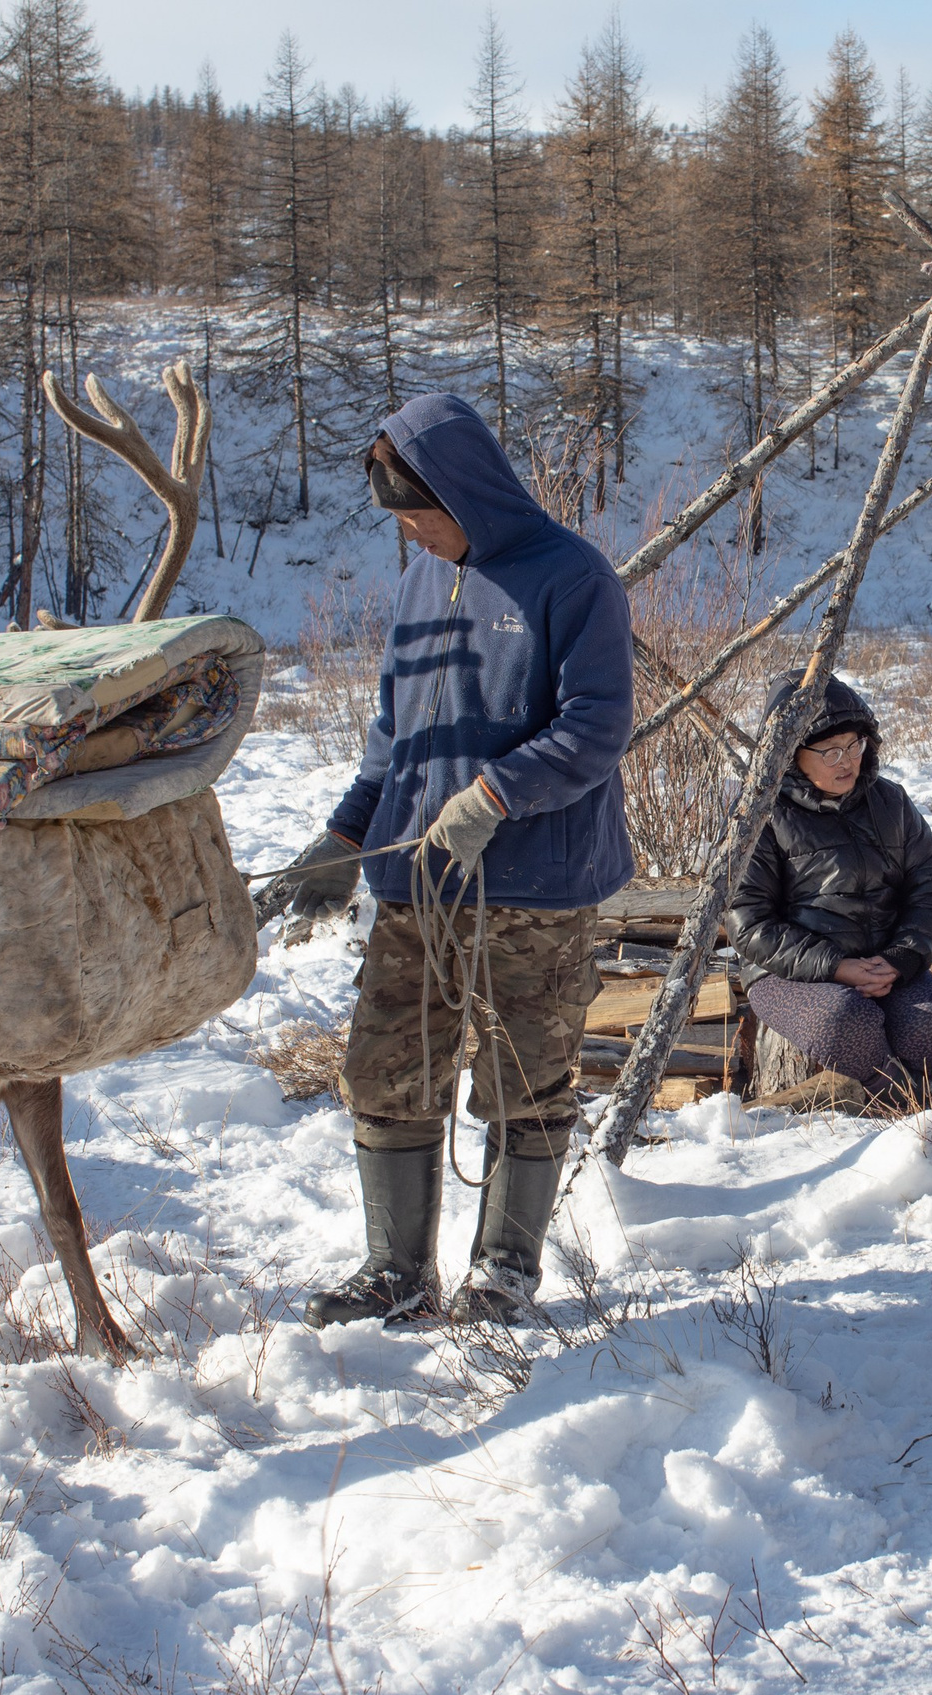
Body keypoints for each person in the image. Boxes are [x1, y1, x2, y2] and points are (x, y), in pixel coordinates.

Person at [279, 393, 634, 1328]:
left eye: (415, 512)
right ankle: (395, 1272)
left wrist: (495, 795)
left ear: (463, 493)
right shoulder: (416, 584)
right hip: (417, 884)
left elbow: (597, 724)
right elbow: (392, 736)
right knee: (388, 1064)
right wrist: (346, 837)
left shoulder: (572, 577)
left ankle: (504, 1272)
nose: (406, 532)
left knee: (527, 1077)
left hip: (537, 889)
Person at [725, 674, 932, 1110]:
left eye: (855, 745)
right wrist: (836, 967)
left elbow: (931, 886)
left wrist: (902, 958)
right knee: (846, 1024)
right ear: (791, 754)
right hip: (791, 974)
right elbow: (748, 920)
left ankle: (895, 1084)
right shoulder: (761, 814)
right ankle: (901, 1108)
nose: (847, 761)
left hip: (882, 963)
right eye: (831, 751)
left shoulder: (889, 802)